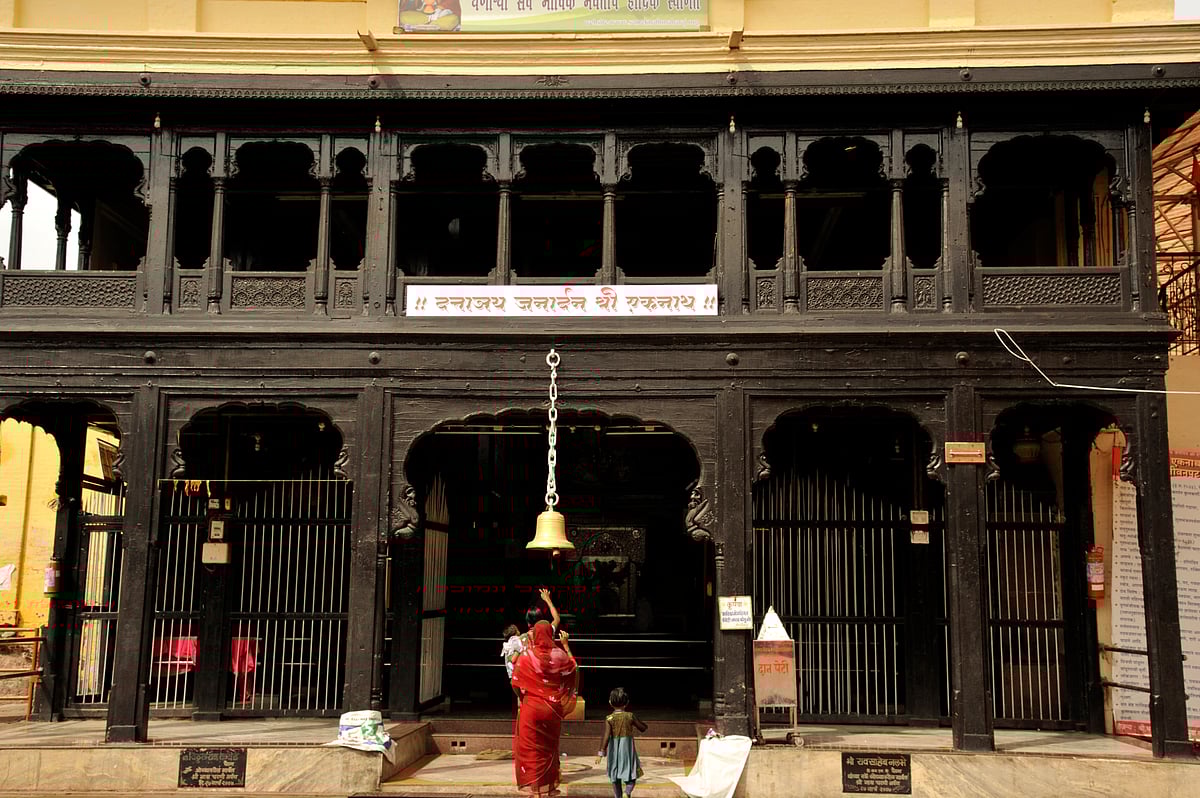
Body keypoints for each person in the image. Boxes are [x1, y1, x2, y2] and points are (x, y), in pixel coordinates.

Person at [511, 620, 577, 797]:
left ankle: (535, 791)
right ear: (550, 633)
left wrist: (523, 698)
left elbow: (515, 683)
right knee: (548, 749)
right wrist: (566, 646)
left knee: (530, 749)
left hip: (531, 708)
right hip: (552, 708)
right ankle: (547, 789)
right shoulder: (560, 655)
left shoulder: (526, 655)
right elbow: (573, 669)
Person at [597, 687, 647, 798]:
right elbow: (643, 728)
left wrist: (601, 753)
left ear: (610, 702)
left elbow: (606, 736)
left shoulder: (609, 718)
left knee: (615, 776)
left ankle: (618, 796)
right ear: (627, 702)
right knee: (631, 775)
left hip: (614, 752)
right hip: (627, 751)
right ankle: (627, 792)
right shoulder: (630, 716)